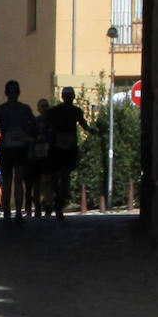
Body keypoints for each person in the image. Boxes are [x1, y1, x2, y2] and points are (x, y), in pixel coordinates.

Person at [0, 80, 37, 222]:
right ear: (18, 92)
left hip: (6, 147)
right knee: (18, 180)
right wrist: (24, 130)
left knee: (8, 181)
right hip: (19, 147)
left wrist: (2, 126)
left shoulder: (1, 109)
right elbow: (34, 124)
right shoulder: (24, 108)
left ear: (6, 93)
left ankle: (8, 211)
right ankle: (17, 212)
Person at [46, 86, 93, 222]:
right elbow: (84, 125)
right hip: (63, 146)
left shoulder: (56, 111)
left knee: (61, 176)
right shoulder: (73, 111)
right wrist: (91, 130)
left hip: (61, 147)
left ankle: (58, 201)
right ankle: (59, 201)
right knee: (61, 176)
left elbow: (45, 125)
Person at [25, 98, 52, 218]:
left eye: (46, 106)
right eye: (42, 106)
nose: (44, 108)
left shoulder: (53, 123)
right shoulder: (35, 122)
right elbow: (27, 137)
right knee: (36, 183)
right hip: (35, 156)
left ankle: (48, 206)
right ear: (38, 109)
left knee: (48, 181)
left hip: (49, 156)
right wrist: (36, 139)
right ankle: (37, 208)